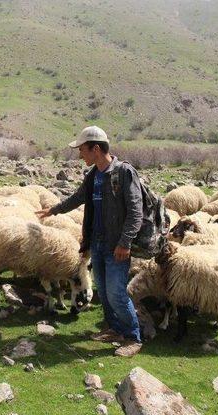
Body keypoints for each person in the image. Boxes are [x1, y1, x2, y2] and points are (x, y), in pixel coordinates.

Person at [37, 125, 144, 357]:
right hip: (97, 243)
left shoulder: (124, 173)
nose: (79, 154)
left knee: (116, 292)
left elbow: (136, 212)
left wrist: (125, 243)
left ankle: (133, 337)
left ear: (96, 149)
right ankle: (115, 329)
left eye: (82, 150)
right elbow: (77, 198)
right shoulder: (93, 175)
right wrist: (53, 210)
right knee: (104, 292)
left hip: (117, 247)